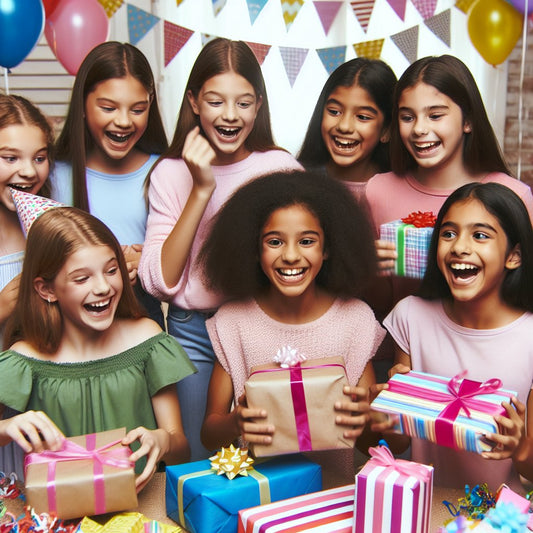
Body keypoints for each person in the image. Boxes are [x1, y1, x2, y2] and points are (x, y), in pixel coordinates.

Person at [138, 38, 302, 461]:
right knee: (197, 454)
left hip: (263, 326)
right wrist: (201, 189)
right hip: (193, 333)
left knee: (268, 452)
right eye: (215, 101)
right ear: (193, 101)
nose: (230, 115)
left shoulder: (280, 169)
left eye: (244, 102)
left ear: (259, 105)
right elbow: (159, 281)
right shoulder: (170, 174)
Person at [198, 170, 385, 488]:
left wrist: (369, 419)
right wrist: (235, 422)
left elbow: (370, 442)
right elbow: (208, 435)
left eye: (307, 241)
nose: (290, 256)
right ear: (254, 250)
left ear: (327, 249)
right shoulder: (233, 322)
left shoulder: (355, 320)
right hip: (257, 495)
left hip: (335, 493)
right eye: (274, 242)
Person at [362, 55, 533, 380]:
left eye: (436, 115)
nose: (420, 129)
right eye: (407, 117)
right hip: (406, 353)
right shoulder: (378, 190)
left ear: (468, 120)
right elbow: (380, 302)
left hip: (490, 358)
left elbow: (522, 290)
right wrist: (371, 269)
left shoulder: (512, 194)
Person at [0, 207, 196, 489]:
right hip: (61, 521)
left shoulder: (147, 340)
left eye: (111, 270)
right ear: (47, 290)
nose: (103, 287)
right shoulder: (23, 359)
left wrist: (164, 441)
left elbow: (182, 448)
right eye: (82, 278)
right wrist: (5, 428)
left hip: (141, 512)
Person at [381, 182, 533, 490]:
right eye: (448, 233)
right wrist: (388, 409)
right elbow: (397, 443)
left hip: (500, 514)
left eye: (480, 235)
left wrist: (521, 448)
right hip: (423, 506)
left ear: (514, 256)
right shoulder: (410, 315)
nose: (459, 247)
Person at [51, 41, 167, 327]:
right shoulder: (52, 174)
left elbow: (187, 256)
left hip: (141, 319)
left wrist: (149, 262)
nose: (123, 121)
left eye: (137, 109)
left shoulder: (166, 170)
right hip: (70, 326)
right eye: (108, 107)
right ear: (82, 105)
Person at [0, 93, 54, 478]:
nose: (29, 171)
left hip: (45, 411)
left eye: (39, 157)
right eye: (9, 158)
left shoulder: (52, 231)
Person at [298, 58, 396, 200]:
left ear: (387, 129)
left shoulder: (398, 191)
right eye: (334, 111)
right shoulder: (298, 182)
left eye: (362, 117)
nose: (344, 126)